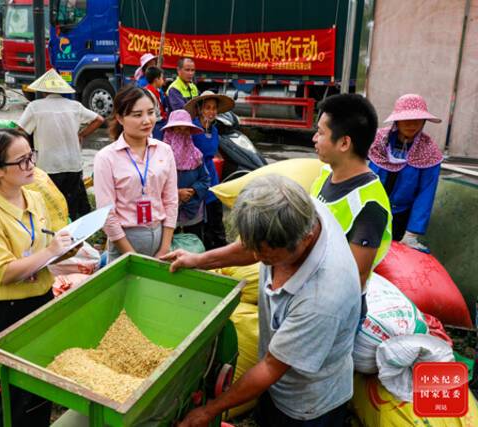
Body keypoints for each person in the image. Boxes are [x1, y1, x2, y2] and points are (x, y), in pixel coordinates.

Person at [162, 175, 360, 427]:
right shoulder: (296, 210)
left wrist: (209, 411)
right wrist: (199, 260)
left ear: (305, 239)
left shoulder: (323, 298)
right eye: (255, 249)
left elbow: (270, 367)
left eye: (265, 255)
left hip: (306, 405)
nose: (256, 257)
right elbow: (251, 247)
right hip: (275, 382)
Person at [0, 128, 75, 427]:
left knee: (42, 383)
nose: (31, 167)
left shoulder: (33, 198)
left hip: (40, 299)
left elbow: (38, 250)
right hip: (8, 311)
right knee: (17, 394)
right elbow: (0, 272)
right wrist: (50, 250)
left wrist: (62, 253)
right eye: (21, 161)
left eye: (31, 157)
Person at [310, 93, 392, 290]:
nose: (314, 138)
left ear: (344, 143)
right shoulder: (325, 174)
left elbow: (352, 281)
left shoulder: (369, 205)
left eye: (320, 133)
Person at [93, 85, 178, 262]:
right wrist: (130, 255)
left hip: (160, 236)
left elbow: (171, 200)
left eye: (151, 112)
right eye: (137, 115)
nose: (147, 120)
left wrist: (165, 247)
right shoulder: (106, 158)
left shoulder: (165, 151)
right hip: (125, 242)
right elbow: (106, 214)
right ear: (120, 118)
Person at [18, 68, 104, 221]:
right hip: (73, 163)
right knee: (72, 206)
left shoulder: (35, 107)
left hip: (47, 166)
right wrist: (82, 134)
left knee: (51, 207)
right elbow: (99, 119)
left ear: (43, 91)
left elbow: (20, 130)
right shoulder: (74, 106)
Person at [368, 94, 443, 253]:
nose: (412, 124)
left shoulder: (429, 152)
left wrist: (412, 232)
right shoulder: (377, 141)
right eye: (406, 118)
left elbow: (425, 193)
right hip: (370, 209)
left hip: (401, 216)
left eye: (418, 119)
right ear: (397, 120)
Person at [184, 91, 235, 249]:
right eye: (207, 108)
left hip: (211, 176)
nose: (211, 112)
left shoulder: (213, 130)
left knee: (215, 219)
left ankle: (219, 252)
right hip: (196, 177)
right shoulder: (191, 129)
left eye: (214, 108)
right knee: (198, 224)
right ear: (199, 109)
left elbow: (212, 152)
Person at [161, 110, 210, 242]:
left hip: (193, 213)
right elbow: (153, 186)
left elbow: (205, 180)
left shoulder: (196, 156)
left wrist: (193, 190)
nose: (182, 134)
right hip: (168, 213)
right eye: (178, 129)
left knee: (194, 247)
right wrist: (177, 193)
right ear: (170, 131)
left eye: (186, 130)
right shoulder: (160, 157)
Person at [144, 66, 168, 140]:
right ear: (156, 79)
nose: (163, 81)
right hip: (157, 123)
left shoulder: (157, 91)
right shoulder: (149, 93)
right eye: (161, 78)